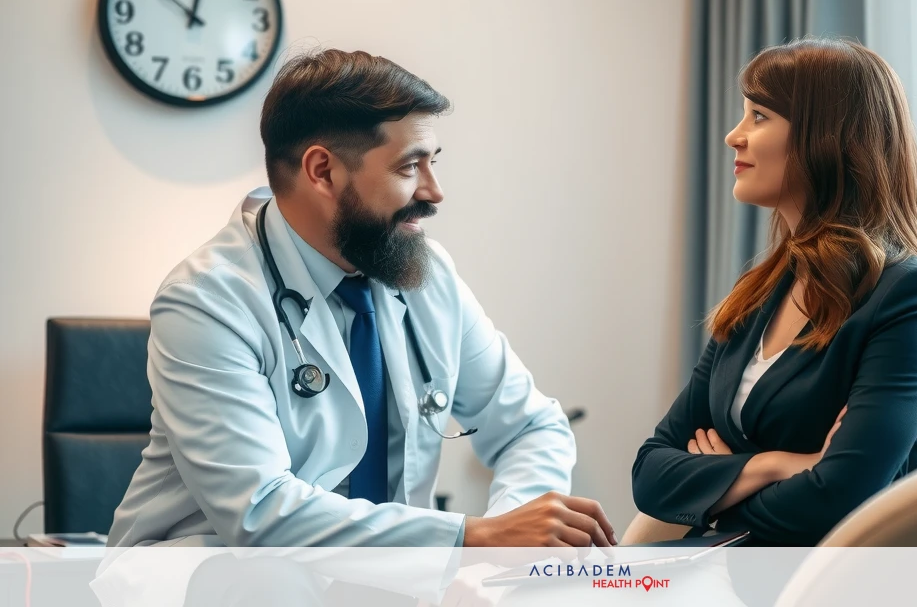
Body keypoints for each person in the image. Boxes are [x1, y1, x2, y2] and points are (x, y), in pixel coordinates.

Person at [109, 49, 615, 548]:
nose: (434, 191)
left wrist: (510, 532)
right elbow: (261, 512)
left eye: (433, 162)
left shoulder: (426, 274)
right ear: (323, 171)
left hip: (385, 587)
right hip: (204, 581)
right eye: (409, 167)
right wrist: (471, 538)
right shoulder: (207, 301)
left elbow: (530, 426)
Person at [632, 38, 917, 546]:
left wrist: (719, 488)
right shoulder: (759, 294)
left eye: (759, 116)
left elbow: (839, 497)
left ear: (826, 138)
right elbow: (650, 472)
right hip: (723, 566)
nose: (732, 137)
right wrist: (773, 466)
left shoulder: (913, 296)